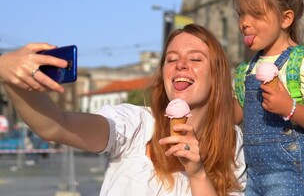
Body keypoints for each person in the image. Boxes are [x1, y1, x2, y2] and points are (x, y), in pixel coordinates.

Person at [0, 23, 246, 196]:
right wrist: (9, 74)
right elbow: (55, 125)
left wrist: (198, 174)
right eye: (171, 59)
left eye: (195, 59)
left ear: (217, 75)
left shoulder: (232, 143)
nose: (181, 64)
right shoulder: (137, 125)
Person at [232, 0, 304, 195]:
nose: (245, 23)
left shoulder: (303, 64)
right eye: (241, 14)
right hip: (253, 176)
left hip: (292, 176)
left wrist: (290, 108)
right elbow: (234, 116)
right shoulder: (246, 70)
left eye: (255, 14)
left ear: (286, 19)